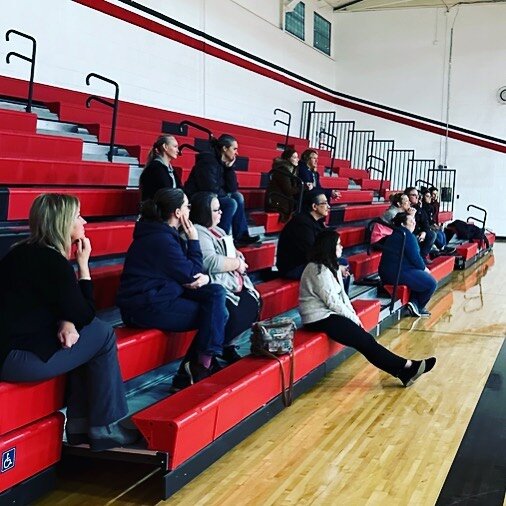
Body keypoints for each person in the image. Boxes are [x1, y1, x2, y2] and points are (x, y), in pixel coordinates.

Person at [0, 194, 137, 452]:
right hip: (18, 360)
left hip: (9, 352)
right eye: (77, 216)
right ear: (63, 223)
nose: (84, 221)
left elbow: (59, 306)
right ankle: (104, 426)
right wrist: (83, 266)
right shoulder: (53, 262)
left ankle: (79, 425)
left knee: (80, 336)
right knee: (103, 334)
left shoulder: (19, 253)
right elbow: (86, 314)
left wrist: (67, 320)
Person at [116, 188, 229, 389]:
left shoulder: (163, 233)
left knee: (216, 295)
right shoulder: (161, 239)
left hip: (163, 294)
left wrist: (197, 279)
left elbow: (187, 273)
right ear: (178, 213)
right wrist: (193, 239)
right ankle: (199, 366)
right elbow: (192, 272)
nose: (190, 210)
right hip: (144, 306)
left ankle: (199, 365)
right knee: (216, 314)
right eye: (187, 206)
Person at [300, 230, 436, 387]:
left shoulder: (332, 266)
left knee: (366, 341)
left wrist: (352, 315)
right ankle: (407, 366)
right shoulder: (318, 270)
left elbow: (343, 297)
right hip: (317, 318)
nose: (342, 247)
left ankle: (405, 370)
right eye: (338, 244)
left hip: (329, 314)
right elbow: (332, 302)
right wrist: (353, 319)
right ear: (328, 247)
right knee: (365, 341)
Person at [190, 192, 261, 362]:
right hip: (212, 285)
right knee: (233, 313)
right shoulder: (198, 232)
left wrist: (237, 258)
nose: (221, 213)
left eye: (220, 209)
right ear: (204, 212)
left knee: (254, 301)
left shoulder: (219, 230)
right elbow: (210, 262)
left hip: (229, 282)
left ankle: (226, 346)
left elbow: (232, 253)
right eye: (216, 210)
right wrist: (236, 263)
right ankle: (208, 357)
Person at [184, 134, 259, 245]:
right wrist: (226, 195)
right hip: (197, 196)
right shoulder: (208, 160)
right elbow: (209, 188)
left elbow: (232, 188)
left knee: (238, 196)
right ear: (224, 148)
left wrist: (229, 168)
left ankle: (241, 236)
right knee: (230, 203)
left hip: (211, 194)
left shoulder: (223, 162)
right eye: (234, 149)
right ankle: (221, 240)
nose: (236, 153)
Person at [276, 189, 351, 290]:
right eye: (324, 203)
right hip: (294, 268)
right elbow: (312, 253)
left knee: (343, 263)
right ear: (314, 206)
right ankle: (335, 303)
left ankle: (342, 301)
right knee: (339, 266)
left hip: (308, 262)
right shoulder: (301, 224)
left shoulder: (316, 222)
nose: (328, 207)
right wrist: (334, 267)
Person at [378, 212, 437, 318]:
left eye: (414, 221)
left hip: (388, 272)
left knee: (420, 279)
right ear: (402, 224)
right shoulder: (407, 236)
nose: (414, 223)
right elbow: (415, 257)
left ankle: (413, 303)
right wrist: (424, 268)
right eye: (411, 221)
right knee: (431, 283)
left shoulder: (397, 234)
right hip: (397, 272)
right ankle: (418, 306)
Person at [139, 135, 182, 201]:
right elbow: (166, 193)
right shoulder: (155, 168)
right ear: (165, 147)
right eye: (175, 147)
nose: (178, 151)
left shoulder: (170, 169)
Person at [265, 148, 302, 222]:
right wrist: (303, 187)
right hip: (277, 203)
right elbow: (288, 191)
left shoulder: (292, 170)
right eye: (294, 157)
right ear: (288, 159)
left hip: (283, 201)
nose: (297, 159)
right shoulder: (282, 171)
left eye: (297, 157)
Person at [404, 187, 437, 264]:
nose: (417, 197)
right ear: (407, 196)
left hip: (419, 234)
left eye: (418, 195)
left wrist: (424, 232)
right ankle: (415, 260)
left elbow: (426, 223)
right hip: (409, 234)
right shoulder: (403, 208)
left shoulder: (419, 208)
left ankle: (422, 257)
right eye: (414, 195)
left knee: (432, 234)